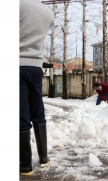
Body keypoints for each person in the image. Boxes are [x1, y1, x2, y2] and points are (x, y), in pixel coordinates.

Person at [20, 0, 54, 175]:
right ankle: (44, 158)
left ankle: (25, 166)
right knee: (37, 111)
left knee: (21, 115)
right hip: (36, 67)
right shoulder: (48, 12)